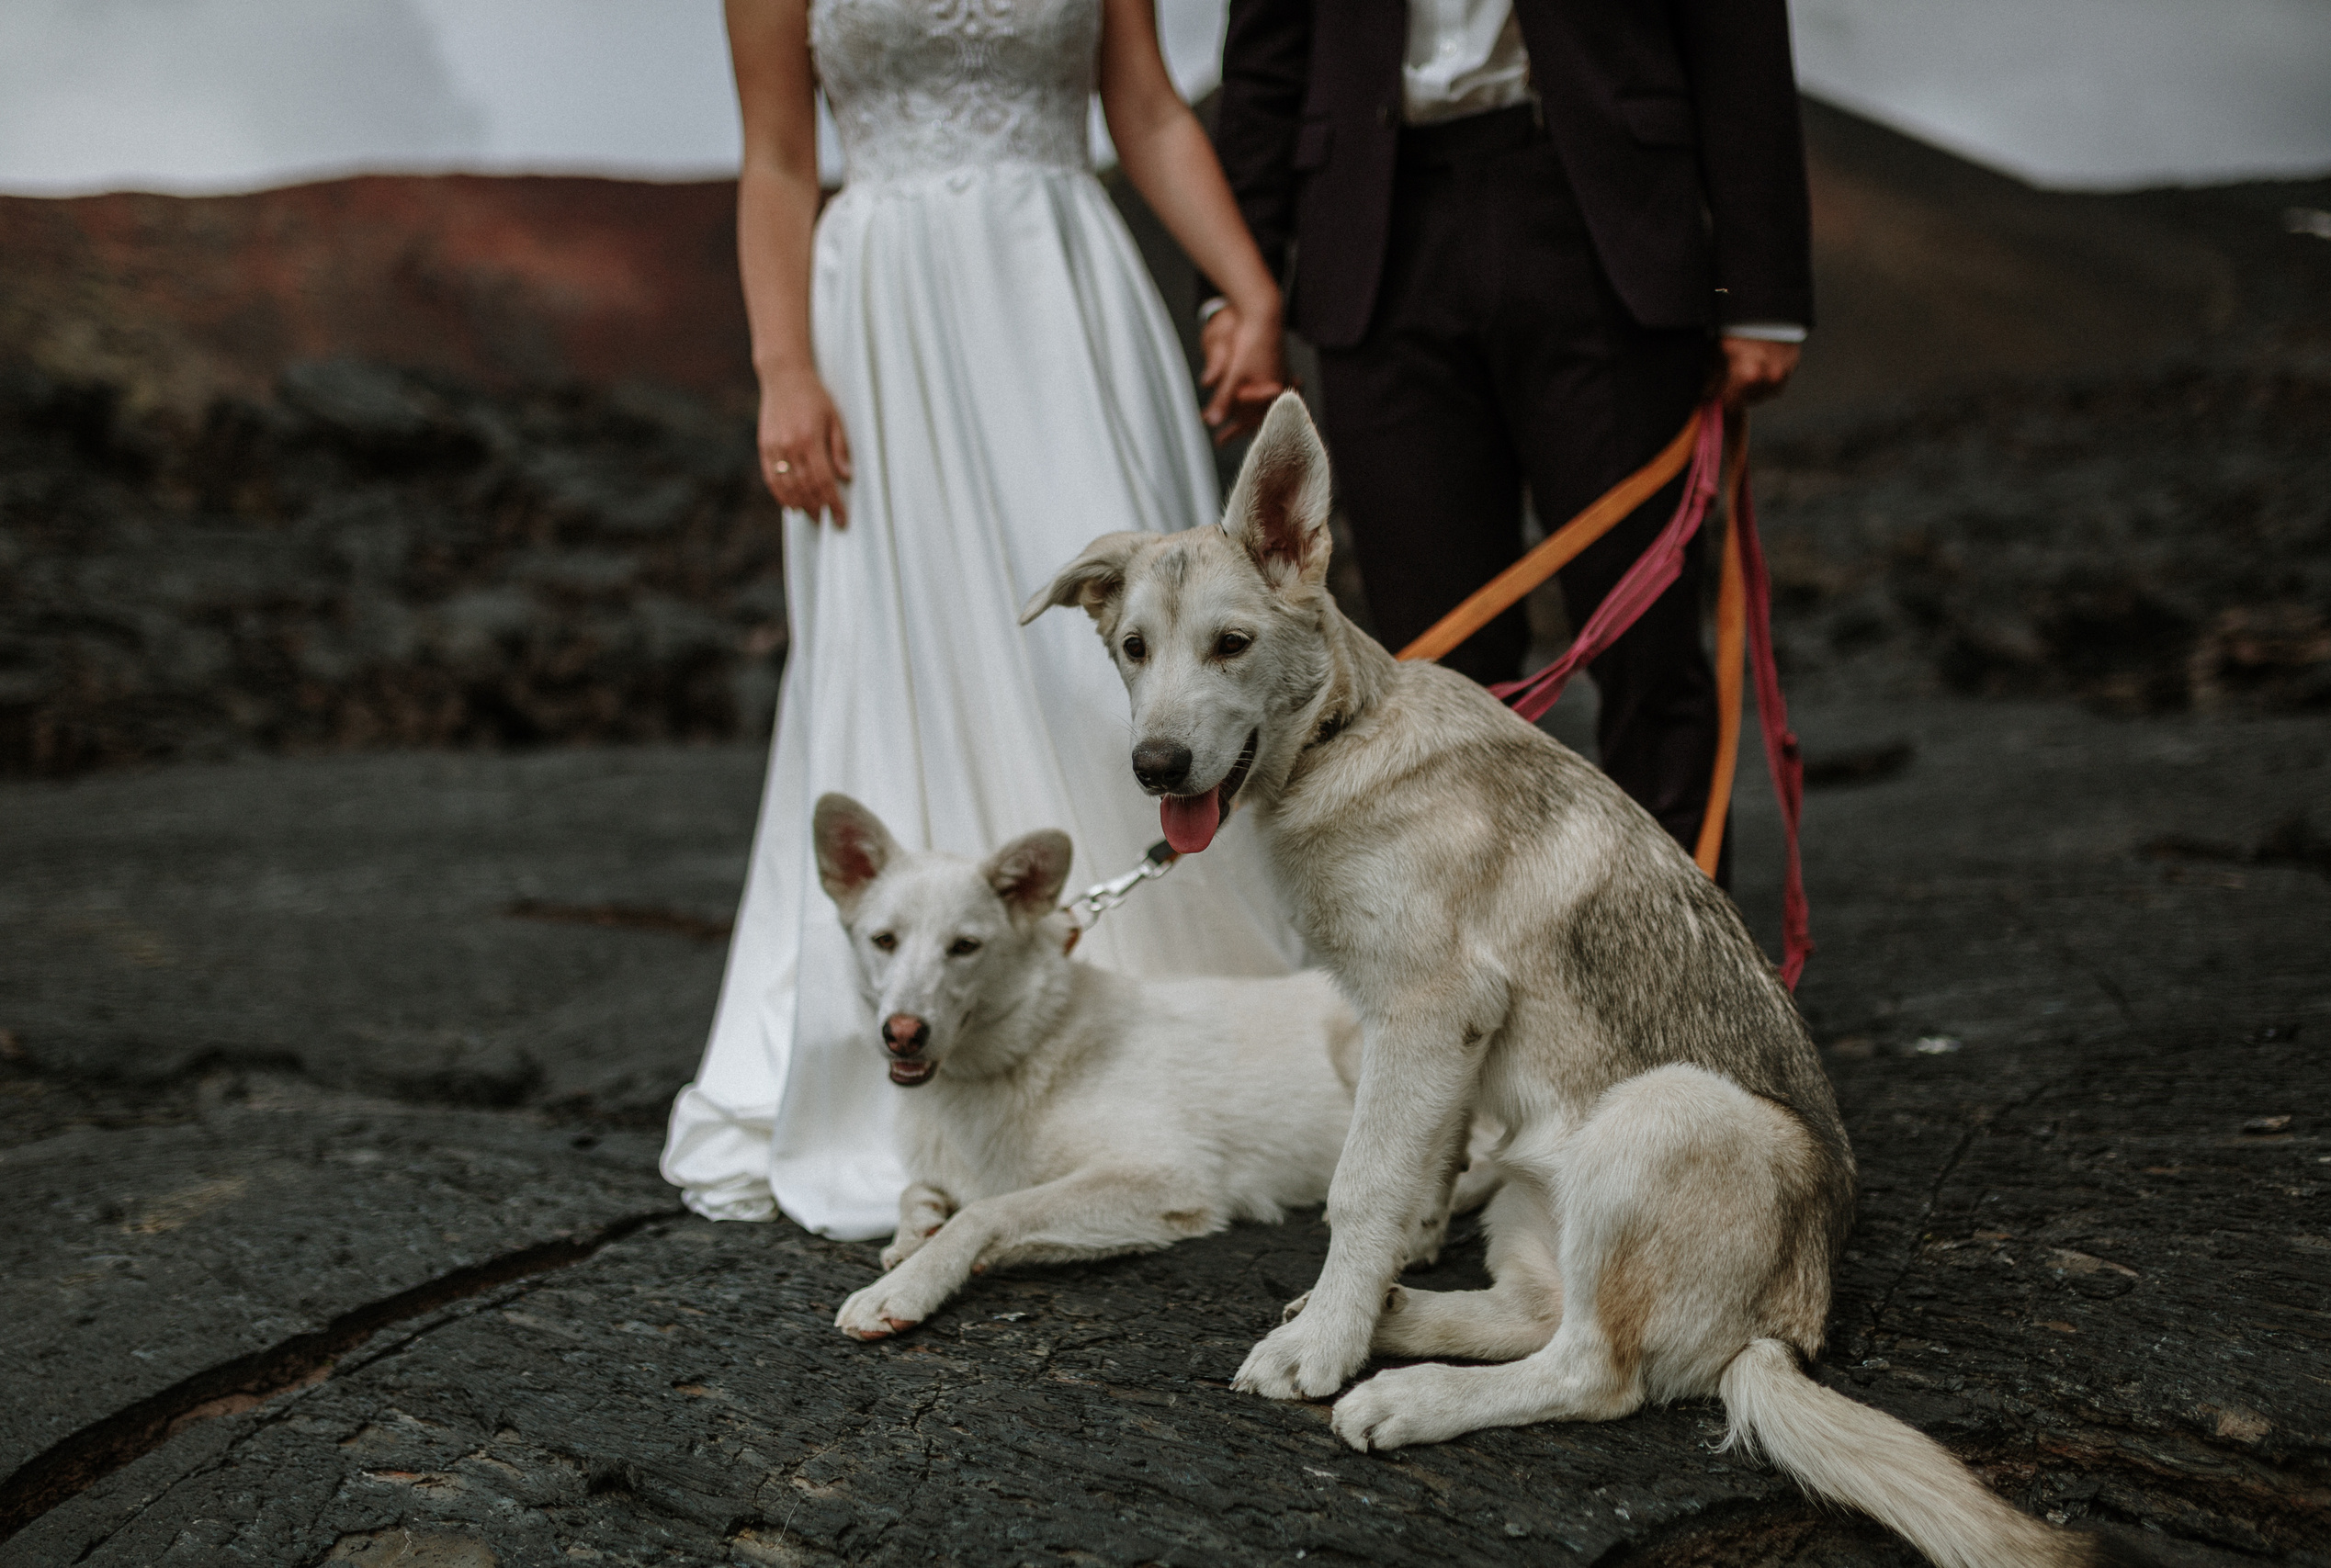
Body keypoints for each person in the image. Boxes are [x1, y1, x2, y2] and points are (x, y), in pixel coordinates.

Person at [662, 0, 1305, 1239]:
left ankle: (1187, 1036)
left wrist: (1247, 286)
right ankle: (949, 1013)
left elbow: (1152, 106)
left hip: (1063, 293)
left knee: (1113, 660)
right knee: (906, 650)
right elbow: (781, 158)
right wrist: (784, 368)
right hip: (884, 316)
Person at [1205, 0, 1812, 854]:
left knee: (1646, 645)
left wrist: (1764, 290)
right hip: (1376, 241)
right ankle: (1483, 972)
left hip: (1598, 215)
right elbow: (1267, 57)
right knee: (1433, 663)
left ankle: (1686, 974)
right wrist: (1237, 282)